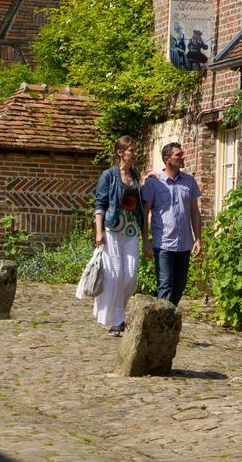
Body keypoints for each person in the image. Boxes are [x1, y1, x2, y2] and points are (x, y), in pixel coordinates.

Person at [92, 136, 145, 337]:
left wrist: (145, 235)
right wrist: (99, 232)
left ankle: (118, 313)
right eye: (131, 150)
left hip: (131, 230)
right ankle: (115, 321)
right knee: (114, 275)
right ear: (120, 153)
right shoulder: (109, 176)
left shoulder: (136, 176)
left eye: (134, 150)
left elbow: (140, 206)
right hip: (112, 230)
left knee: (130, 275)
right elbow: (100, 204)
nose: (134, 153)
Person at [141, 141, 201, 305]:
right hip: (163, 243)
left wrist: (198, 238)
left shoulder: (189, 181)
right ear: (167, 159)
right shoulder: (153, 183)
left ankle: (167, 319)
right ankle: (162, 325)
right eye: (178, 155)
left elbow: (195, 211)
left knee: (180, 286)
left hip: (184, 244)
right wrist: (146, 241)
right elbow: (145, 212)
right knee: (165, 286)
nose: (182, 157)